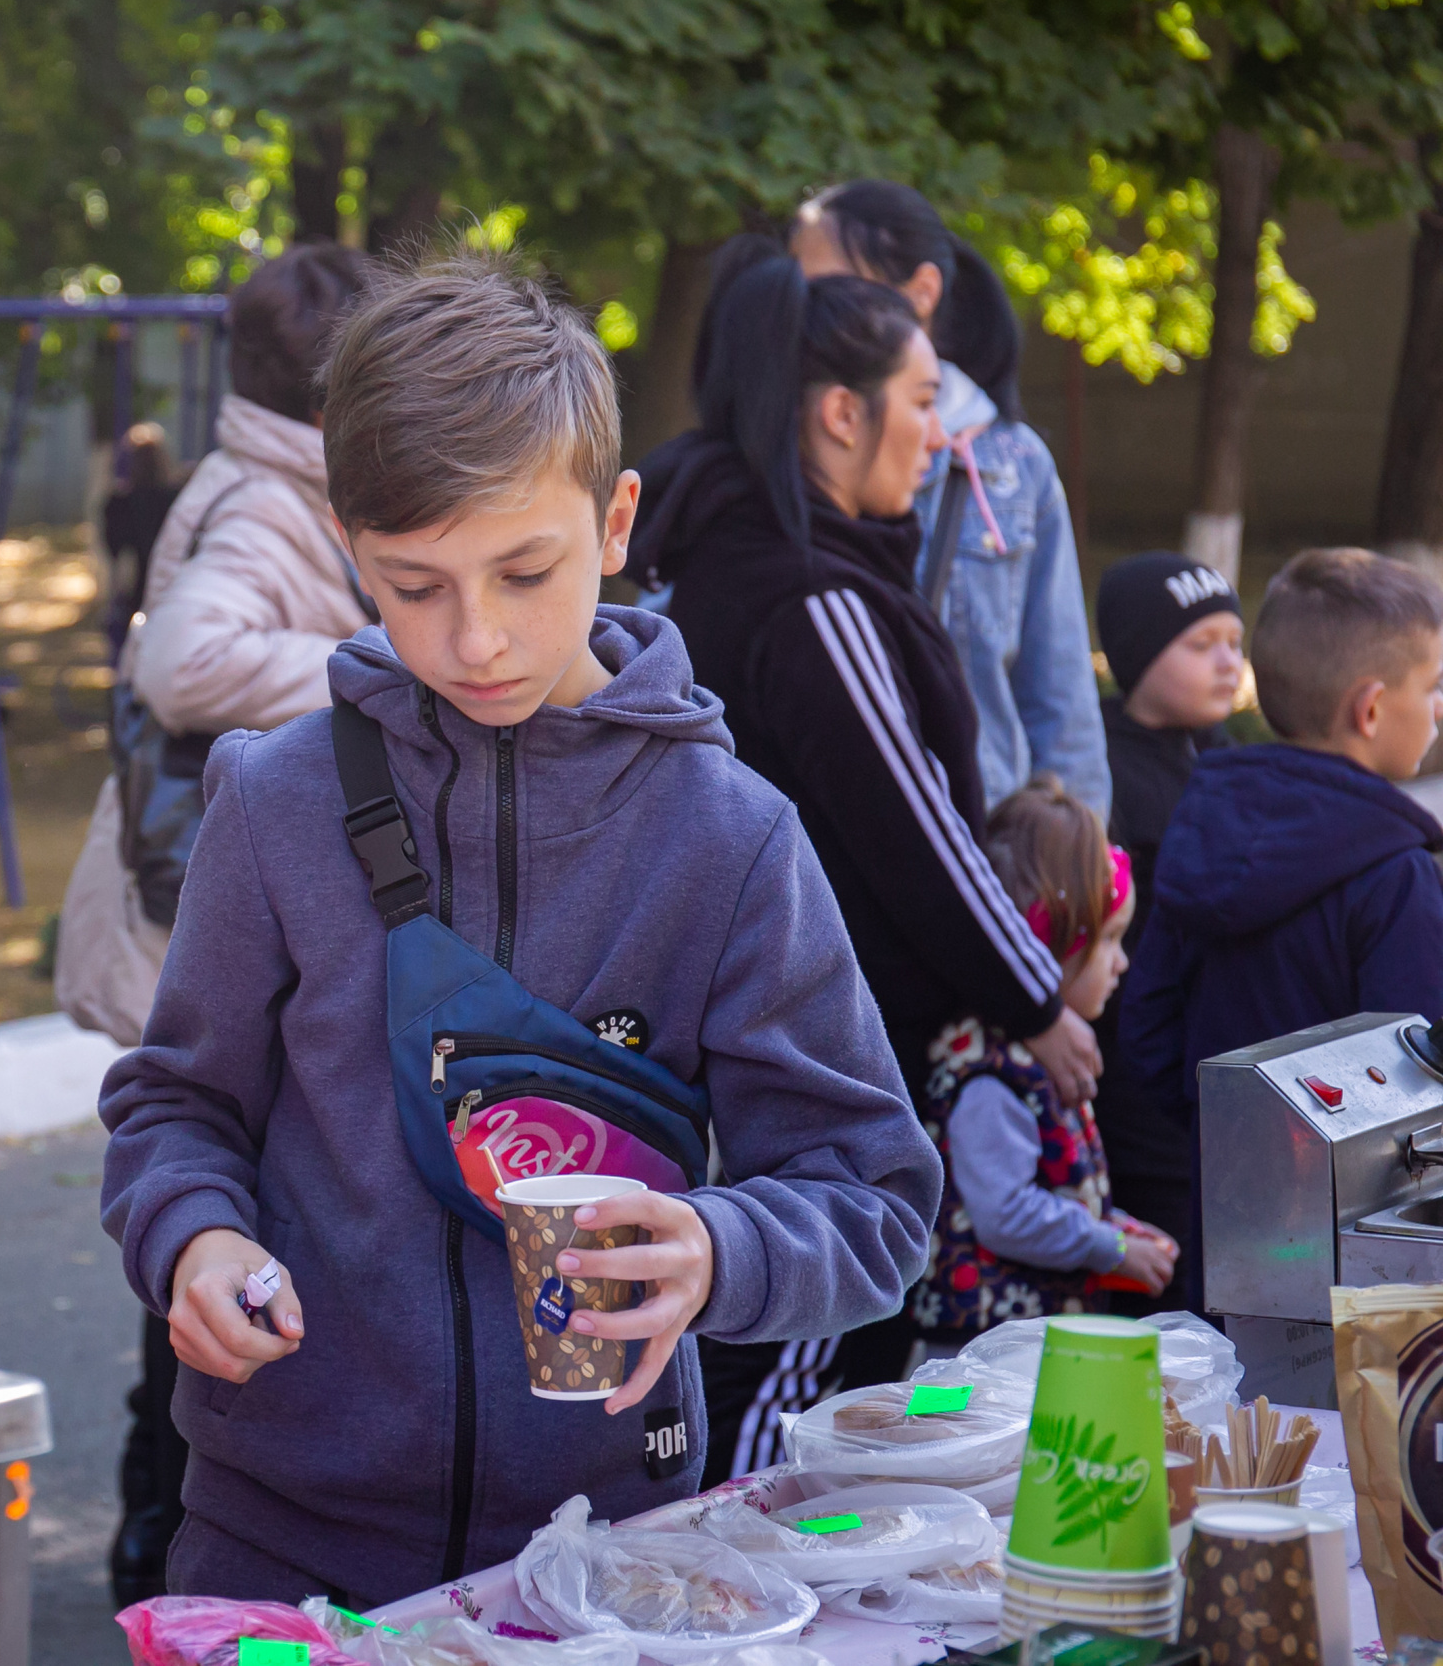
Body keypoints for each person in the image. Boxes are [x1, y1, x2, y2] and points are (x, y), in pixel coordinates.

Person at [99, 255, 938, 1606]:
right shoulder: (273, 798)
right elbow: (174, 1105)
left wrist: (717, 1247)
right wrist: (195, 1237)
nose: (475, 637)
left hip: (605, 1554)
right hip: (278, 1542)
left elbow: (873, 1190)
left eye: (524, 570)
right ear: (346, 543)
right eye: (412, 585)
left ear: (614, 524)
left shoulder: (729, 837)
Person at [632, 255, 1097, 1478]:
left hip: (755, 1022)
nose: (939, 435)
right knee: (801, 1355)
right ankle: (705, 1574)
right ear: (839, 413)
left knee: (776, 1335)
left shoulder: (745, 560)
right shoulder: (808, 596)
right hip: (819, 1038)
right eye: (923, 398)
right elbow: (921, 832)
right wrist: (1034, 1001)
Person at [55, 239, 370, 1604]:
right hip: (200, 921)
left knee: (198, 1264)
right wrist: (385, 661)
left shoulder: (275, 477)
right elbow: (182, 657)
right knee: (199, 1272)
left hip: (183, 904)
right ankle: (154, 1573)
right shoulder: (270, 498)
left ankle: (156, 1564)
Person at [1123, 547, 1443, 1313]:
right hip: (1369, 1266)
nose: (1438, 709)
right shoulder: (1395, 873)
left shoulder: (1198, 833)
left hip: (1228, 1229)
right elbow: (1423, 1079)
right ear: (1370, 709)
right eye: (1432, 689)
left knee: (1248, 1425)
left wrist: (1234, 1136)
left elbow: (1147, 1029)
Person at [789, 180, 1110, 819]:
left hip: (984, 840)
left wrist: (1080, 876)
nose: (804, 310)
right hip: (820, 848)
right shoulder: (772, 452)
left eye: (829, 285)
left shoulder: (1013, 465)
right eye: (794, 289)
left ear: (922, 292)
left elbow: (1060, 697)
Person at [913, 778, 1177, 1343]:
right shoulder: (988, 1072)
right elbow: (1005, 1212)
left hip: (1025, 1345)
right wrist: (1110, 1247)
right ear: (1046, 938)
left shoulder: (1028, 1056)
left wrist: (1119, 1229)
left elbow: (1055, 1192)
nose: (1122, 963)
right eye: (1108, 940)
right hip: (981, 1354)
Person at [1091, 552, 1243, 1311]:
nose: (1227, 661)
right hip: (1130, 1087)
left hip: (1210, 1080)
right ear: (1138, 653)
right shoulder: (1101, 771)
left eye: (1235, 642)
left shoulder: (1226, 756)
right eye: (1200, 642)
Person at [100, 421, 185, 656]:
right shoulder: (178, 498)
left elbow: (115, 552)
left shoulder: (119, 503)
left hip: (138, 592)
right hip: (173, 589)